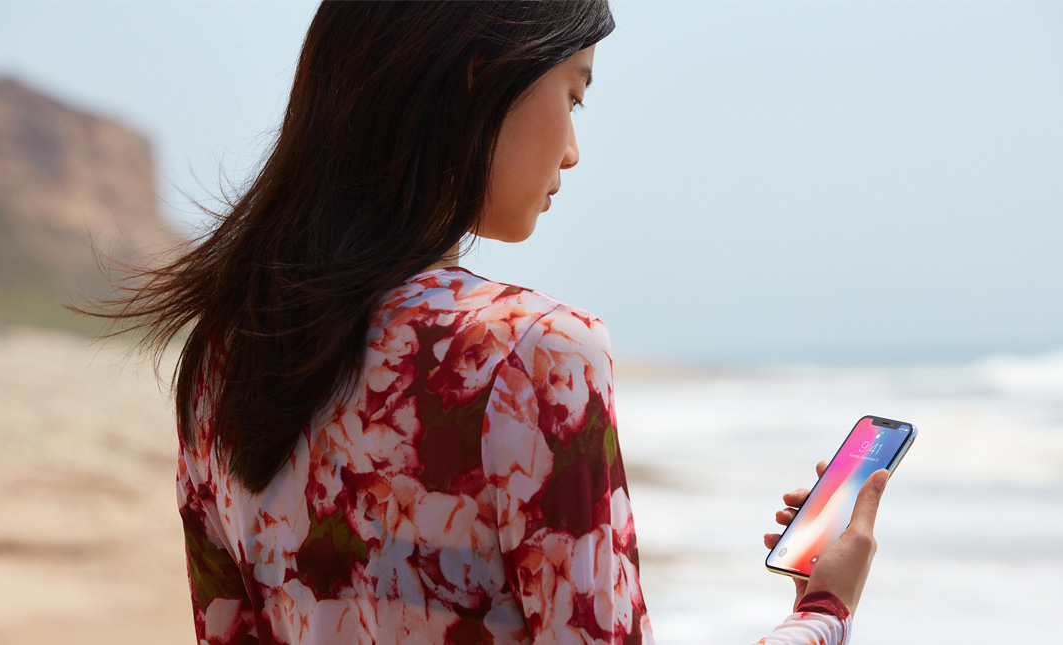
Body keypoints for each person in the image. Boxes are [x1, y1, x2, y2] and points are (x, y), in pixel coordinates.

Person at [91, 2, 889, 643]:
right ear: (479, 80)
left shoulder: (223, 360)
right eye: (573, 94)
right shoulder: (535, 353)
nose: (573, 150)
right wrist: (823, 610)